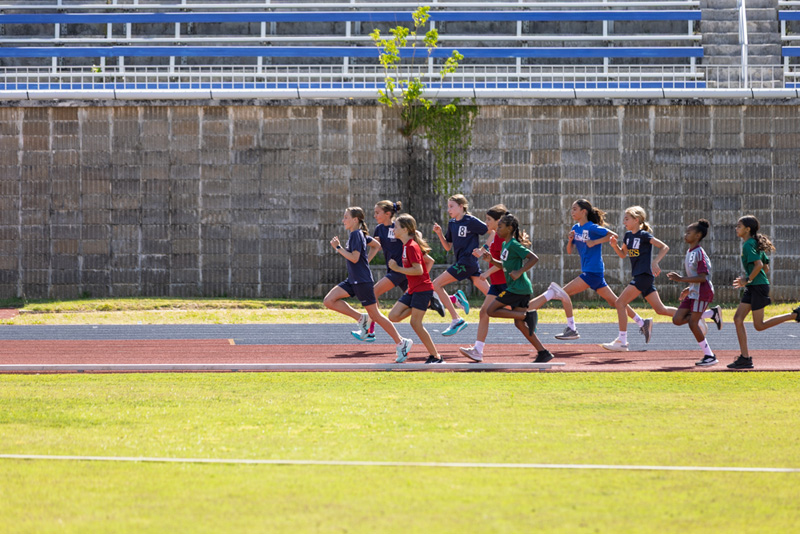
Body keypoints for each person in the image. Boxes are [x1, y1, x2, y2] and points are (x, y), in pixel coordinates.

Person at [528, 199, 650, 341]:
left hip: (592, 271)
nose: (572, 212)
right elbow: (569, 251)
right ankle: (642, 322)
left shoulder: (592, 227)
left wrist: (594, 242)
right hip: (592, 272)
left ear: (583, 211)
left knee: (562, 294)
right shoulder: (576, 228)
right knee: (615, 302)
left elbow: (613, 236)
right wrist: (570, 240)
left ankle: (571, 328)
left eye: (574, 209)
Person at [602, 206, 719, 351]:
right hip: (640, 277)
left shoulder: (644, 235)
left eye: (627, 218)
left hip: (643, 276)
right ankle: (704, 315)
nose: (623, 221)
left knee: (620, 303)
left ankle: (622, 341)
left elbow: (664, 247)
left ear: (636, 220)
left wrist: (655, 261)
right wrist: (614, 246)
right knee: (660, 309)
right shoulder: (627, 236)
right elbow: (622, 254)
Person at [322, 206, 413, 362]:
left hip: (362, 281)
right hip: (353, 280)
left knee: (376, 315)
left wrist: (338, 248)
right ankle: (361, 318)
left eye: (346, 217)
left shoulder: (356, 234)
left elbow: (355, 258)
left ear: (355, 220)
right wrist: (366, 261)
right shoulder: (359, 234)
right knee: (329, 301)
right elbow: (376, 246)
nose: (343, 220)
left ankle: (401, 342)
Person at [356, 200, 444, 343]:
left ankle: (370, 330)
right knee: (403, 308)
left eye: (377, 212)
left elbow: (415, 233)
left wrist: (418, 240)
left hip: (400, 270)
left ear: (388, 214)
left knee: (373, 292)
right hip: (397, 271)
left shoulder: (398, 227)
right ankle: (440, 300)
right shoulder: (379, 229)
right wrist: (364, 262)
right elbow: (376, 247)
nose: (374, 215)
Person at [478, 214, 554, 363]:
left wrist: (520, 271)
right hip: (518, 288)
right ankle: (543, 352)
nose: (497, 229)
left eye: (500, 226)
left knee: (490, 310)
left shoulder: (513, 244)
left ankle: (527, 315)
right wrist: (492, 260)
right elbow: (505, 266)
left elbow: (534, 258)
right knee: (519, 324)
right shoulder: (506, 245)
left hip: (518, 288)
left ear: (510, 228)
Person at [729, 215, 800, 369]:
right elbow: (765, 267)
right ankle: (745, 358)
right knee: (738, 318)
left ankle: (795, 315)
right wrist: (751, 279)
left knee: (759, 325)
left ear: (747, 229)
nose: (736, 228)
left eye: (739, 226)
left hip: (757, 286)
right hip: (756, 286)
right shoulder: (755, 243)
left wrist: (746, 279)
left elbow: (759, 265)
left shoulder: (749, 245)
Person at [387, 214, 444, 364]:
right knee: (393, 316)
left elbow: (418, 270)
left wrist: (397, 268)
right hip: (413, 289)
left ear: (405, 229)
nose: (393, 229)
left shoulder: (411, 247)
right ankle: (429, 303)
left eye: (396, 226)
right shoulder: (406, 246)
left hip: (422, 289)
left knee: (415, 324)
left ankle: (436, 356)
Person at [432, 194, 490, 336]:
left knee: (436, 284)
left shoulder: (471, 221)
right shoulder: (452, 223)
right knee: (492, 295)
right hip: (467, 265)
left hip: (467, 262)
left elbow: (493, 231)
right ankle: (522, 314)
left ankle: (456, 319)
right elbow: (447, 247)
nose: (448, 209)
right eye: (448, 206)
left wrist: (483, 250)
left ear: (461, 206)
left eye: (451, 206)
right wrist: (439, 234)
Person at [459, 204, 510, 362]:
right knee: (484, 312)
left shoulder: (504, 238)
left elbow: (504, 263)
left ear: (499, 220)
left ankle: (528, 317)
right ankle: (477, 351)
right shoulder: (495, 235)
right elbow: (489, 248)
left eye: (488, 219)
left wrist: (486, 273)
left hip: (506, 283)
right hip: (495, 284)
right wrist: (482, 252)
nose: (485, 222)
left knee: (518, 315)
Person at [666, 219, 718, 367]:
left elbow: (703, 277)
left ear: (698, 235)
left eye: (689, 232)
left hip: (703, 292)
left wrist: (682, 279)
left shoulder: (699, 253)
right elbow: (697, 277)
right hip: (695, 291)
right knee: (677, 319)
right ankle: (711, 314)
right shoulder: (690, 252)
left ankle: (710, 355)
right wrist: (689, 287)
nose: (685, 234)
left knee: (693, 323)